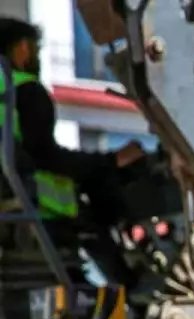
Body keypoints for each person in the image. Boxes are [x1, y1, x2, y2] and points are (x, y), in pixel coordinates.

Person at [0, 18, 145, 281]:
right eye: (35, 48)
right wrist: (112, 161)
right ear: (22, 48)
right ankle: (134, 286)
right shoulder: (23, 89)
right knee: (100, 202)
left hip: (13, 206)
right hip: (35, 209)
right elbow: (47, 157)